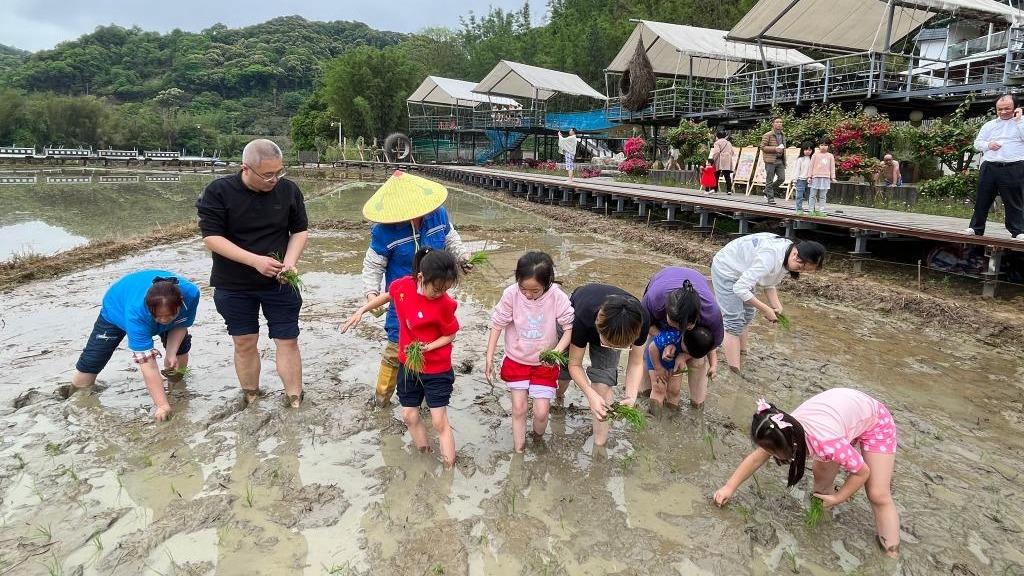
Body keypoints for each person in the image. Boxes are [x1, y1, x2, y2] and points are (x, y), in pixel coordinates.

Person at [714, 389, 901, 557]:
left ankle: (891, 552)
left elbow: (862, 473)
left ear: (792, 445)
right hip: (842, 417)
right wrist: (729, 487)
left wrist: (839, 497)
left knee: (878, 494)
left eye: (773, 453)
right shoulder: (782, 430)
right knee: (821, 471)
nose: (768, 456)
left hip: (874, 422)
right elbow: (756, 458)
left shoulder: (826, 443)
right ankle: (821, 514)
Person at [196, 138, 308, 408]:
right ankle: (252, 396)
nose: (275, 179)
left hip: (280, 282)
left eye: (279, 172)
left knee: (287, 339)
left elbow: (299, 231)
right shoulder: (218, 192)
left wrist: (290, 263)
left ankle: (295, 398)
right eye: (268, 174)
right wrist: (254, 261)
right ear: (246, 168)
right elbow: (211, 237)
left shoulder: (288, 191)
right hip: (234, 284)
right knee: (244, 341)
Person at [342, 248, 462, 468]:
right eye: (436, 289)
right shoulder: (403, 287)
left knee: (438, 421)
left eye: (446, 289)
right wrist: (361, 310)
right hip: (409, 365)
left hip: (437, 369)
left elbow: (450, 334)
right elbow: (387, 296)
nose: (441, 293)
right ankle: (424, 456)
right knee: (409, 415)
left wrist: (427, 347)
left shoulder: (446, 303)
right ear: (420, 278)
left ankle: (448, 470)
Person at [361, 170, 472, 407]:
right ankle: (381, 399)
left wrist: (462, 257)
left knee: (429, 345)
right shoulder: (384, 231)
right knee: (395, 347)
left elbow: (451, 239)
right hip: (402, 298)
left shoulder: (438, 215)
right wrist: (371, 294)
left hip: (433, 295)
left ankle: (422, 397)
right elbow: (373, 265)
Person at [70, 270, 200, 421]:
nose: (164, 320)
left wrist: (171, 353)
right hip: (116, 309)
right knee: (91, 363)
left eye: (170, 315)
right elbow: (148, 365)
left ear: (181, 302)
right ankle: (76, 399)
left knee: (181, 350)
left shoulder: (191, 294)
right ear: (148, 308)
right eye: (158, 316)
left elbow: (181, 324)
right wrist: (161, 405)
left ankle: (176, 386)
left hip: (156, 308)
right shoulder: (136, 313)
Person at [485, 251, 574, 452]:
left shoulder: (556, 296)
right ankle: (519, 450)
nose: (528, 295)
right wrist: (489, 356)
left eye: (535, 291)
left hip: (545, 363)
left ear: (548, 283)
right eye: (524, 288)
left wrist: (556, 353)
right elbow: (497, 324)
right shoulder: (511, 294)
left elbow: (569, 328)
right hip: (517, 360)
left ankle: (537, 439)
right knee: (519, 409)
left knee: (542, 412)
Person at [710, 233, 826, 372]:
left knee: (747, 315)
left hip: (743, 272)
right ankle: (735, 371)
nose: (799, 271)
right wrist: (765, 309)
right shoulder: (770, 256)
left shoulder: (787, 254)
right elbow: (740, 288)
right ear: (796, 255)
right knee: (733, 320)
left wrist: (776, 306)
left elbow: (769, 283)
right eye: (801, 268)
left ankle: (742, 353)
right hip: (726, 269)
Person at [556, 283, 650, 447]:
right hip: (581, 315)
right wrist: (589, 394)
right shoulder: (581, 316)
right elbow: (574, 365)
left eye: (619, 348)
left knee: (602, 385)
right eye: (609, 345)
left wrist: (631, 396)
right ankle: (558, 398)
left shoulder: (640, 321)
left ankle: (599, 447)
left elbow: (636, 363)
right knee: (563, 374)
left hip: (615, 329)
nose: (614, 350)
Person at [641, 267, 724, 409]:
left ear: (697, 318)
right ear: (666, 312)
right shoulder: (655, 299)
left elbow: (710, 346)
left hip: (691, 337)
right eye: (673, 324)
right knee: (651, 363)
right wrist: (664, 339)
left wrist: (684, 356)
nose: (677, 332)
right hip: (663, 280)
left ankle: (697, 407)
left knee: (698, 362)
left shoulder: (711, 314)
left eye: (684, 328)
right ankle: (642, 396)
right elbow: (642, 324)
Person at [963, 94, 1024, 240]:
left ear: (1015, 108)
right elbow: (977, 144)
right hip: (990, 165)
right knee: (982, 199)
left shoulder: (1021, 123)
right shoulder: (989, 125)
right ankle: (975, 228)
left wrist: (1019, 121)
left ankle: (1018, 231)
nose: (1003, 112)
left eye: (1007, 108)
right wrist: (988, 145)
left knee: (1014, 201)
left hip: (1014, 165)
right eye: (1000, 109)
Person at [644, 325, 714, 415]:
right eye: (687, 352)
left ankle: (671, 415)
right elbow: (652, 348)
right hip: (656, 358)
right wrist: (658, 369)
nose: (687, 354)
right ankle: (655, 416)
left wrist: (713, 366)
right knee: (659, 388)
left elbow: (713, 350)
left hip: (675, 363)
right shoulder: (670, 336)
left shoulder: (698, 345)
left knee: (674, 390)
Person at [759, 118, 786, 204]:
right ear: (773, 124)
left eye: (781, 122)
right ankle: (770, 198)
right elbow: (762, 147)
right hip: (770, 160)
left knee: (782, 178)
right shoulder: (768, 135)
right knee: (769, 179)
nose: (779, 124)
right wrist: (775, 149)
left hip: (780, 160)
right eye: (777, 122)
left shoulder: (783, 135)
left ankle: (767, 190)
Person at [808, 140, 836, 216]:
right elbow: (811, 166)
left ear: (828, 146)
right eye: (822, 145)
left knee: (823, 195)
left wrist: (832, 177)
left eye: (825, 145)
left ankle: (821, 210)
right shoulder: (815, 155)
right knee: (812, 194)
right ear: (819, 146)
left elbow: (832, 167)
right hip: (815, 177)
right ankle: (811, 210)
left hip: (826, 177)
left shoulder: (830, 156)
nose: (823, 147)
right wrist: (809, 176)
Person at [711, 130, 736, 194]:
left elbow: (716, 152)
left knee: (716, 175)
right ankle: (729, 190)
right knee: (727, 176)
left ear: (717, 136)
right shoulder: (729, 143)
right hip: (727, 160)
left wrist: (713, 159)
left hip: (720, 160)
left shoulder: (717, 143)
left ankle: (715, 189)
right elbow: (732, 152)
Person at [793, 143, 814, 214]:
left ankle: (811, 209)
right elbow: (797, 170)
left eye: (809, 150)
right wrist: (795, 179)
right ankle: (799, 209)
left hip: (810, 180)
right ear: (802, 150)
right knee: (799, 195)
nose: (807, 151)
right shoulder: (800, 159)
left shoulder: (813, 159)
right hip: (800, 180)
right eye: (806, 150)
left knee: (811, 195)